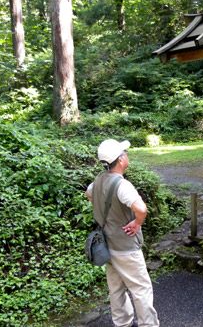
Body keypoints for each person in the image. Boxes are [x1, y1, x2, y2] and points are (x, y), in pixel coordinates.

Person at [85, 139, 159, 327]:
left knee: (115, 288)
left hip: (107, 245)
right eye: (124, 153)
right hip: (126, 247)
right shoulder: (122, 185)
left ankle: (122, 323)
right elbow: (141, 209)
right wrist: (137, 223)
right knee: (141, 289)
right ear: (120, 160)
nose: (127, 155)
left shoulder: (98, 180)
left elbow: (89, 194)